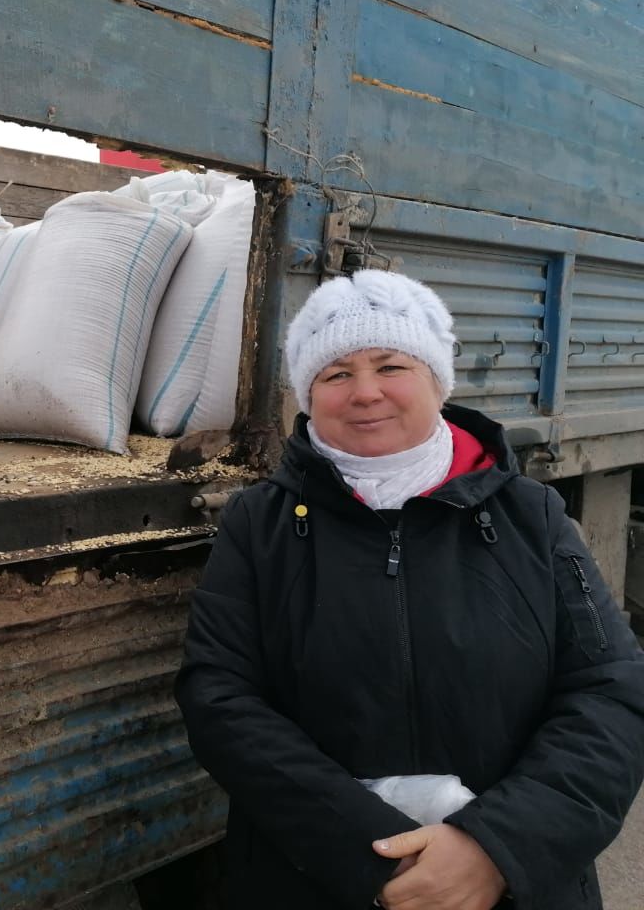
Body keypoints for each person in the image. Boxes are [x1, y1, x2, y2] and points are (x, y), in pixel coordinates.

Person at [175, 269, 644, 910]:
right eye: (336, 374)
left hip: (512, 887)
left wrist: (495, 849)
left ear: (436, 379)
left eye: (391, 365)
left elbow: (609, 690)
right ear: (309, 394)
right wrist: (374, 850)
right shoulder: (261, 524)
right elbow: (220, 699)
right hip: (317, 879)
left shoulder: (529, 515)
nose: (365, 393)